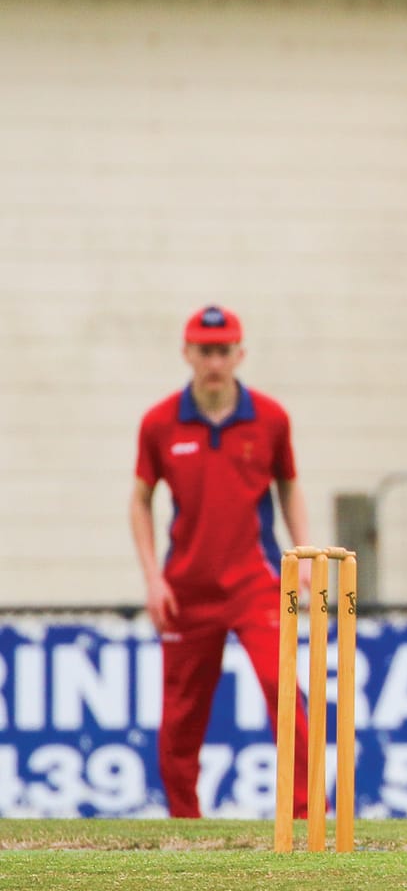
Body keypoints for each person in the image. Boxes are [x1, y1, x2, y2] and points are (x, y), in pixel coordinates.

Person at [129, 305, 312, 819]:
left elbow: (289, 487)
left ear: (240, 354)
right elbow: (140, 500)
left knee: (283, 689)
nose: (214, 361)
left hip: (255, 582)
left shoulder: (270, 418)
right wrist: (152, 578)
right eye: (204, 351)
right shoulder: (159, 423)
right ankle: (185, 825)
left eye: (223, 350)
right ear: (187, 354)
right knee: (181, 717)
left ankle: (304, 817)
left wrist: (302, 557)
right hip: (186, 587)